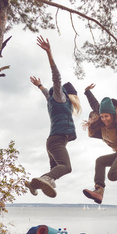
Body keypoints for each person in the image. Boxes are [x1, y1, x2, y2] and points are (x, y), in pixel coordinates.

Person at [25, 36, 81, 198]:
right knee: (65, 167)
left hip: (52, 142)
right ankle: (43, 179)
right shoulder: (60, 96)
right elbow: (57, 77)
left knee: (53, 173)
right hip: (56, 140)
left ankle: (33, 184)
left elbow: (45, 93)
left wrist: (39, 85)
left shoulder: (51, 100)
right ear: (70, 95)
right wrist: (49, 53)